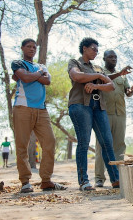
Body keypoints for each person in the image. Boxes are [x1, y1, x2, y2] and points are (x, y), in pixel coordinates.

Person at [11, 38, 67, 193]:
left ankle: (46, 180)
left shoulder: (41, 66)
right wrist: (36, 75)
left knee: (50, 141)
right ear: (22, 48)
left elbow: (47, 80)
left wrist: (33, 74)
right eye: (28, 47)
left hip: (41, 110)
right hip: (22, 107)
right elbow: (26, 78)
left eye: (34, 47)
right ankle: (25, 182)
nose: (32, 49)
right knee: (22, 145)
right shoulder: (18, 63)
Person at [68, 38, 120, 191]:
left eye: (97, 50)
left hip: (99, 106)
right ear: (84, 48)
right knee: (84, 143)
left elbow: (111, 86)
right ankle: (84, 181)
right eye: (93, 49)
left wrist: (97, 84)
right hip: (80, 105)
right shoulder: (75, 63)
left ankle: (116, 180)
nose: (96, 52)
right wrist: (100, 77)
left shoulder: (97, 67)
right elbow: (77, 77)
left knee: (107, 142)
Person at [95, 50, 133, 187]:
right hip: (104, 113)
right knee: (102, 145)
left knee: (119, 145)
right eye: (110, 57)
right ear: (104, 58)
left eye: (115, 57)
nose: (113, 59)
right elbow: (104, 81)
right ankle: (99, 178)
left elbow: (127, 92)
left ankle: (118, 177)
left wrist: (130, 91)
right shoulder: (99, 72)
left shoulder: (122, 76)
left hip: (120, 113)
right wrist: (120, 74)